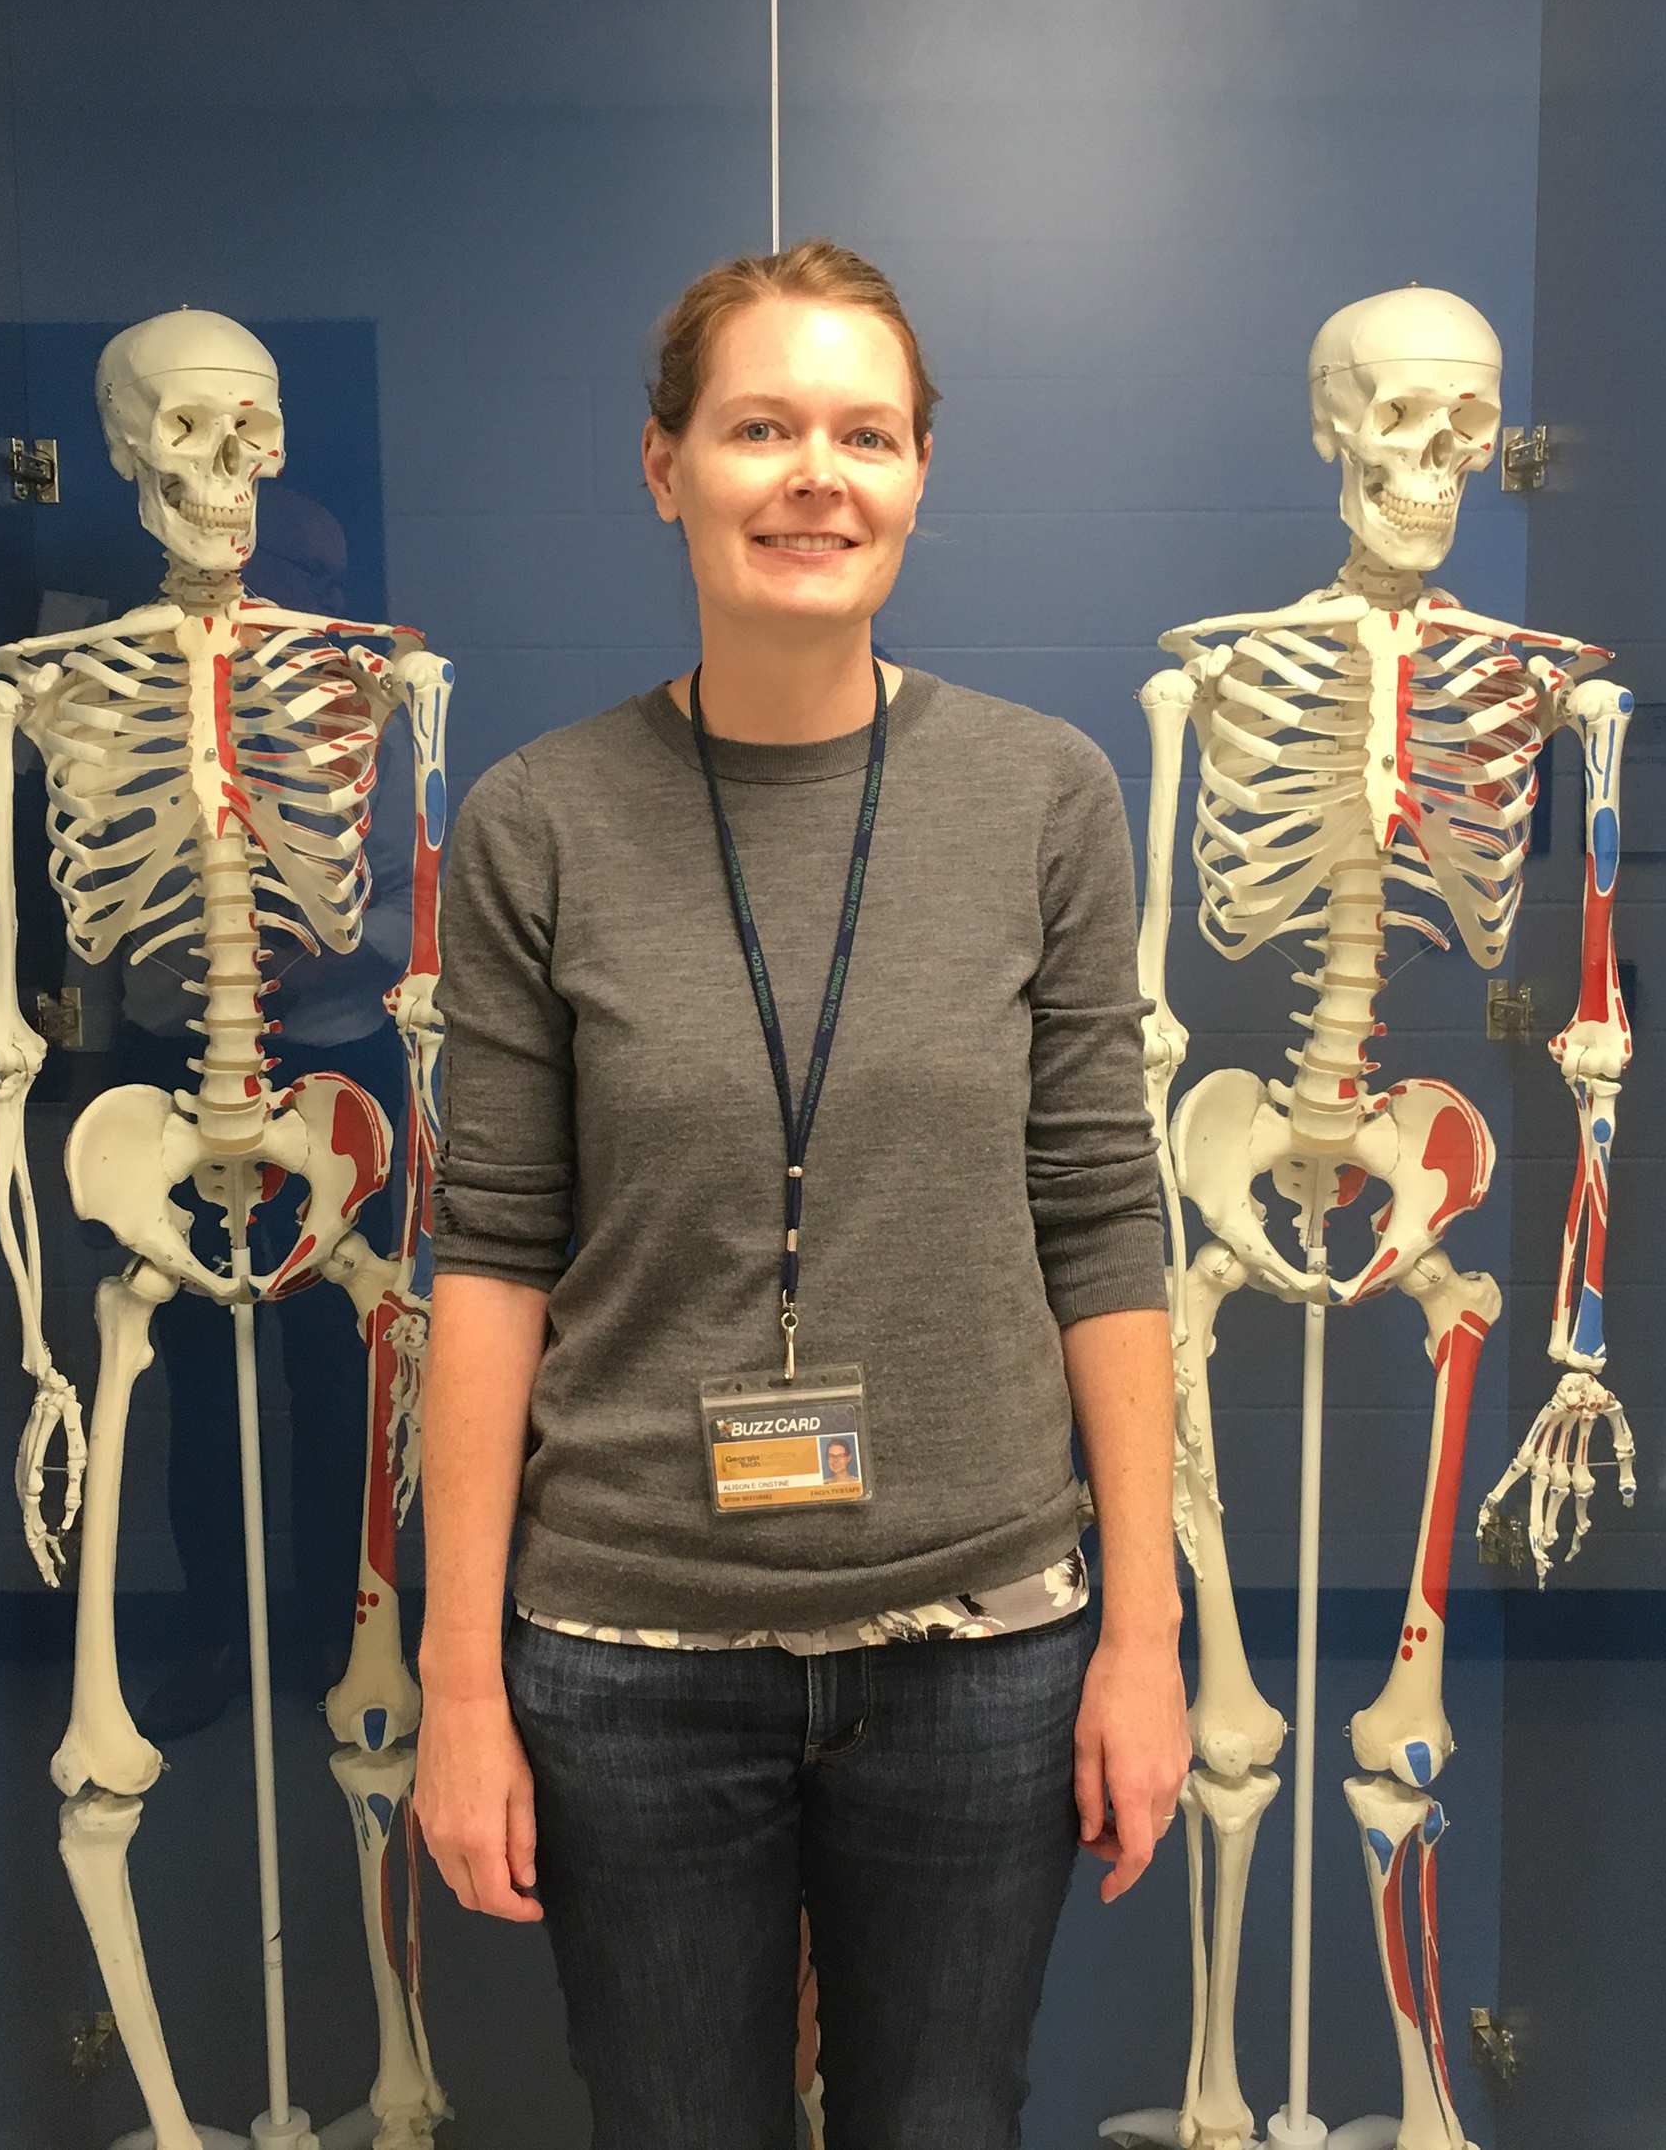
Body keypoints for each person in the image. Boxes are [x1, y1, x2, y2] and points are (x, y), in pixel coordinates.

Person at [414, 237, 1189, 2149]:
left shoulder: (1044, 800)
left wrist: (1148, 1639)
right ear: (664, 464)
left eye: (866, 431)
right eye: (761, 426)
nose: (814, 475)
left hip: (982, 1648)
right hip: (629, 1659)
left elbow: (1104, 1224)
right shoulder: (537, 822)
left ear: (923, 472)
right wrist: (455, 1683)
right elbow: (494, 1259)